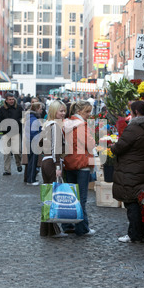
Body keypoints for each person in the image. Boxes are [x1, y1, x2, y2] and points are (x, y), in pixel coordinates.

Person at [111, 100, 144, 243]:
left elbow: (120, 147)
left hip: (130, 169)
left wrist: (112, 147)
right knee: (139, 201)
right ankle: (140, 233)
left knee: (131, 201)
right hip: (143, 167)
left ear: (136, 112)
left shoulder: (134, 128)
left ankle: (134, 234)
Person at [62, 100, 96, 236]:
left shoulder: (66, 123)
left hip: (69, 162)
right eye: (87, 112)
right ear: (80, 111)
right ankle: (82, 228)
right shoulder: (81, 125)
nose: (89, 114)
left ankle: (67, 225)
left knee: (70, 195)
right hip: (82, 163)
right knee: (81, 198)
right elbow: (90, 143)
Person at [40, 100, 67, 237]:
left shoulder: (46, 124)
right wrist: (57, 166)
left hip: (46, 161)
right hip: (52, 162)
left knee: (48, 197)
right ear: (54, 111)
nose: (63, 113)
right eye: (61, 111)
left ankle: (47, 230)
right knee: (52, 197)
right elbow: (56, 148)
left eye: (64, 111)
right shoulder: (55, 125)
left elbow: (39, 143)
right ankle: (52, 231)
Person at [0, 92, 23, 176]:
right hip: (5, 133)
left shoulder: (19, 108)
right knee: (6, 152)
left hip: (16, 132)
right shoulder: (2, 109)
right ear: (6, 100)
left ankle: (19, 164)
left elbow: (23, 119)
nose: (11, 101)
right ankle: (7, 170)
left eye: (12, 99)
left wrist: (18, 122)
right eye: (9, 99)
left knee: (17, 151)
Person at [24, 102, 43, 185]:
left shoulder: (30, 118)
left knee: (32, 161)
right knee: (33, 161)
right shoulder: (33, 119)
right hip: (33, 142)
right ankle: (31, 180)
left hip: (30, 142)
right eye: (40, 109)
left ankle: (30, 178)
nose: (42, 110)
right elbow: (34, 133)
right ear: (36, 109)